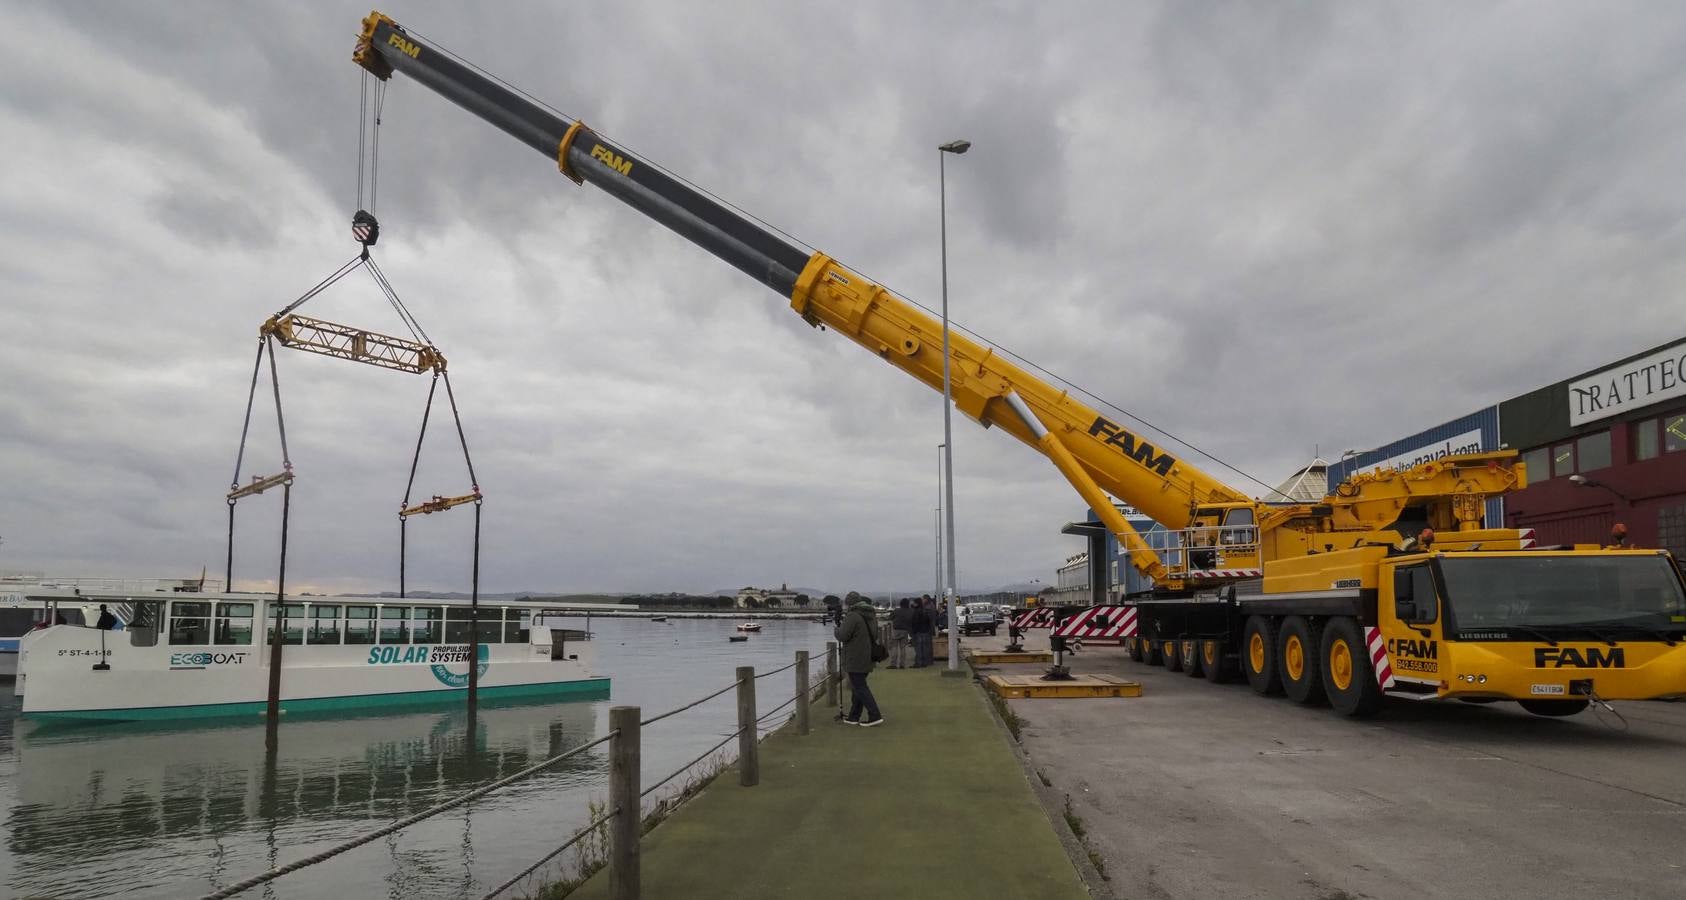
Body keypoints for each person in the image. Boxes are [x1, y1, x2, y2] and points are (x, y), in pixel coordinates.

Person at [834, 594, 883, 726]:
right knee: (857, 686)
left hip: (855, 656)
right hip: (867, 655)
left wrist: (836, 629)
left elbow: (843, 635)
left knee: (860, 687)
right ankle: (853, 716)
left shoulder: (852, 616)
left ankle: (875, 715)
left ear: (849, 603)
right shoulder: (870, 614)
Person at [888, 598, 914, 669]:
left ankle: (893, 664)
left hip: (896, 630)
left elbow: (890, 617)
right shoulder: (910, 611)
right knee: (903, 648)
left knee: (894, 647)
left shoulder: (896, 610)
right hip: (905, 630)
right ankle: (902, 664)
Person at [910, 596, 934, 667]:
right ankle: (924, 663)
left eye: (914, 603)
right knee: (924, 648)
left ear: (916, 603)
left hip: (918, 632)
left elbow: (915, 622)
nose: (913, 604)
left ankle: (918, 663)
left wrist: (913, 632)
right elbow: (929, 621)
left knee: (918, 649)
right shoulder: (925, 611)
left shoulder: (916, 611)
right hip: (926, 632)